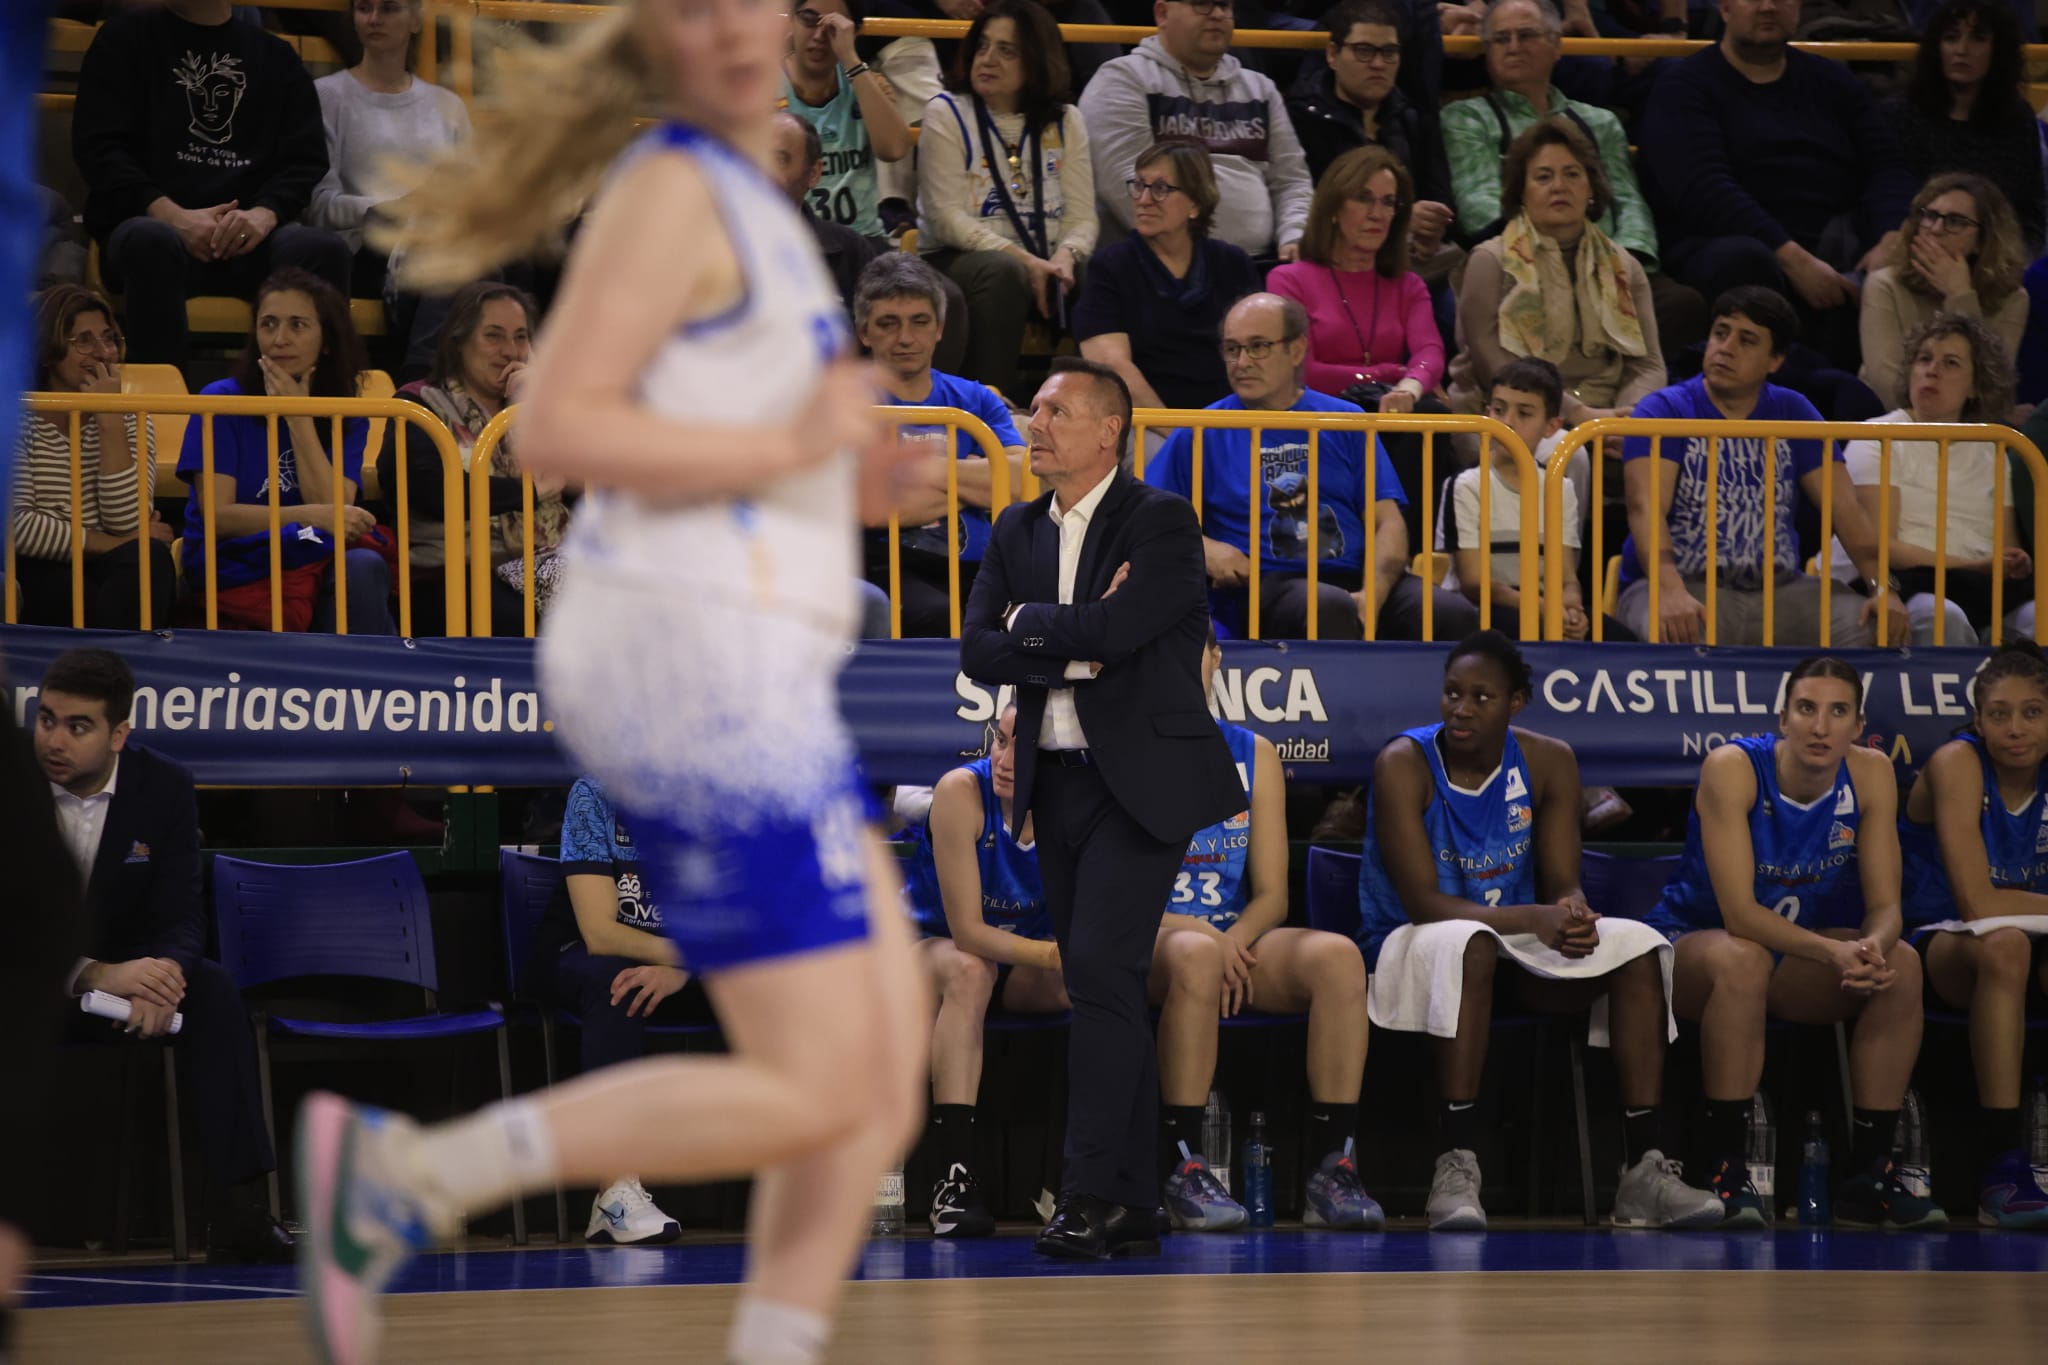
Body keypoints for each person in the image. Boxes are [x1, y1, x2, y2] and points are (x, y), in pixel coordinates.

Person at [294, 1, 929, 1361]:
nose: (743, 26)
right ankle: (411, 1179)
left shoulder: (760, 213)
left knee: (872, 1082)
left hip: (754, 670)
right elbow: (561, 429)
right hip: (685, 669)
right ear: (656, 45)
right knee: (837, 1079)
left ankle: (443, 1191)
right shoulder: (671, 193)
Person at [960, 356, 1246, 1261]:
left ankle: (1084, 1194)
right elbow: (977, 651)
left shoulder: (1160, 520)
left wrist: (1035, 631)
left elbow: (1123, 634)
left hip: (1143, 784)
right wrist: (1073, 643)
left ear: (1106, 430)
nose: (1032, 425)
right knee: (1104, 985)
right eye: (1033, 410)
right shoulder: (1013, 527)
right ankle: (1134, 1199)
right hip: (1059, 779)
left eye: (1051, 411)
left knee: (1095, 965)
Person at [1358, 632, 1719, 1231]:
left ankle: (1644, 1170)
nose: (1462, 708)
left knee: (1639, 946)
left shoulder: (1550, 760)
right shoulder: (1404, 762)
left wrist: (1573, 913)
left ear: (1516, 701)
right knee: (1467, 943)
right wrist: (1537, 919)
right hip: (1411, 937)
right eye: (1452, 693)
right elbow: (1423, 902)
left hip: (1513, 944)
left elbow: (1561, 880)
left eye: (1482, 696)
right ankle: (1456, 1164)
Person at [1645, 657, 1944, 1229]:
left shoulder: (1872, 772)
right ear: (1783, 717)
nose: (1820, 727)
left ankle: (1869, 1175)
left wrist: (1872, 949)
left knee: (1901, 964)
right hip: (1693, 946)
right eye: (1807, 709)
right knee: (1743, 959)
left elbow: (1886, 908)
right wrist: (1834, 951)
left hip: (1790, 954)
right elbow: (1740, 915)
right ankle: (1725, 1170)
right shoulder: (1733, 768)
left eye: (1838, 712)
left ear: (1858, 726)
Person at [35, 648, 295, 1262]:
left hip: (129, 988)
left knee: (214, 995)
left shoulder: (164, 786)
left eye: (78, 726)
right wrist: (94, 973)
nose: (55, 740)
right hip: (28, 985)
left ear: (119, 734)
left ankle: (242, 1214)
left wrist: (166, 979)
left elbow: (182, 912)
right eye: (46, 719)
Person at [1145, 292, 1480, 641]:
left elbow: (1388, 522)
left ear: (1297, 349)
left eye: (1258, 346)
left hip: (1358, 576)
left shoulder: (1345, 420)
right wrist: (1206, 548)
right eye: (1231, 349)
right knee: (1328, 607)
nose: (1241, 361)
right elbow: (1147, 519)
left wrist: (1372, 596)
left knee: (1450, 614)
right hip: (1269, 583)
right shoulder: (1200, 429)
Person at [1617, 286, 1907, 648]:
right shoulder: (1664, 409)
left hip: (1779, 589)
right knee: (1677, 627)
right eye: (1720, 333)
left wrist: (1883, 588)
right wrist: (1670, 590)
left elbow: (1846, 509)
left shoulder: (1793, 412)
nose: (1726, 347)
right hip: (1682, 584)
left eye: (1747, 340)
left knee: (1869, 628)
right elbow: (1645, 507)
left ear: (1775, 361)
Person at [72, 0, 353, 370]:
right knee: (150, 241)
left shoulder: (276, 56)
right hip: (152, 229)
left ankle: (313, 410)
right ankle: (162, 413)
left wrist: (264, 215)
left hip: (250, 236)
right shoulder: (123, 39)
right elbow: (98, 148)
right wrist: (172, 215)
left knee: (322, 249)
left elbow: (305, 159)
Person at [1636, 0, 1916, 370]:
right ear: (1724, 8)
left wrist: (1891, 236)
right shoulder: (1684, 86)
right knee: (1744, 261)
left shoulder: (1833, 81)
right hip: (1724, 242)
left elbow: (1889, 165)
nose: (1768, 6)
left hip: (1835, 237)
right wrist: (1790, 257)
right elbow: (1704, 189)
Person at [1441, 0, 1702, 360]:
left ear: (1557, 46)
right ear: (1487, 54)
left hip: (1608, 263)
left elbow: (1627, 201)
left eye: (1527, 35)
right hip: (1521, 263)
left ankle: (1628, 401)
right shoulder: (1467, 118)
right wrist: (1559, 255)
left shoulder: (1600, 121)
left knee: (1681, 304)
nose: (1514, 46)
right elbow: (1478, 204)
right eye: (1501, 39)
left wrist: (1619, 263)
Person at [1898, 641, 2048, 1228]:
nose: (2016, 728)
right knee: (2005, 946)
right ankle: (2001, 1163)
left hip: (2036, 936)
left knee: (2017, 947)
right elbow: (1978, 901)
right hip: (1942, 944)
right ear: (1978, 721)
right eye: (2000, 714)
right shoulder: (1957, 763)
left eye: (2033, 712)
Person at [903, 705, 1066, 1237]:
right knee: (972, 968)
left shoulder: (1077, 806)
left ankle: (1079, 1177)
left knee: (1101, 983)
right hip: (931, 951)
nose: (1005, 757)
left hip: (1017, 961)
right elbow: (968, 931)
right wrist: (1051, 955)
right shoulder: (960, 792)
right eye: (1000, 739)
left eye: (1026, 746)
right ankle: (953, 1179)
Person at [175, 268, 394, 636]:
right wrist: (311, 515)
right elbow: (218, 516)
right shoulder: (222, 402)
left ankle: (355, 689)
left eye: (297, 325)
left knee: (363, 567)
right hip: (238, 566)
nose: (279, 339)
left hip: (311, 561)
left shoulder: (346, 414)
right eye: (269, 324)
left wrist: (298, 417)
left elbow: (336, 513)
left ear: (325, 341)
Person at [527, 776, 691, 1245]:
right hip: (580, 953)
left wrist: (685, 969)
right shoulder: (593, 794)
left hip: (680, 957)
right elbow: (600, 934)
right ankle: (614, 1194)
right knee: (618, 983)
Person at [916, 0, 1097, 397]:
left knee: (1097, 271)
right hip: (956, 259)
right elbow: (945, 217)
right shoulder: (946, 112)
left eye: (1006, 50)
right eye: (982, 46)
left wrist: (1064, 259)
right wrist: (1028, 262)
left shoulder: (1066, 119)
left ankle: (1088, 407)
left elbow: (1083, 217)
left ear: (1036, 60)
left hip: (1044, 258)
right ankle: (987, 406)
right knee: (1002, 274)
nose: (988, 59)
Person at [1444, 117, 1664, 430]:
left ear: (1591, 186)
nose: (1559, 186)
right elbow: (1493, 365)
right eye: (1543, 177)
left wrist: (1629, 417)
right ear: (1521, 192)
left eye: (1572, 174)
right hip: (1509, 415)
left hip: (1610, 415)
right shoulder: (1489, 261)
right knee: (1567, 454)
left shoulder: (1625, 266)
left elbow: (1648, 363)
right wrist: (1578, 415)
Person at [382, 281, 569, 637]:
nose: (509, 351)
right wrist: (525, 491)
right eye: (493, 336)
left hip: (546, 562)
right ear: (459, 341)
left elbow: (579, 483)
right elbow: (425, 489)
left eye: (520, 337)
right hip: (451, 574)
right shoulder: (419, 404)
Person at [856, 252, 1027, 637]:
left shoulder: (976, 398)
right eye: (888, 324)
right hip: (890, 567)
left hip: (984, 567)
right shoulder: (847, 400)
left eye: (920, 322)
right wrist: (976, 480)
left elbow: (1019, 480)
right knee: (942, 618)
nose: (905, 338)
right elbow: (871, 506)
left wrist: (922, 471)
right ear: (863, 331)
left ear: (939, 328)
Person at [1830, 313, 2026, 647]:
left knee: (2038, 616)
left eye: (1950, 363)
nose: (1931, 370)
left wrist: (2015, 562)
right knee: (1941, 616)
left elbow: (2008, 548)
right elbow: (1880, 546)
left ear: (1977, 385)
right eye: (1924, 359)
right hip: (1902, 585)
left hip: (1979, 589)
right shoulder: (1876, 436)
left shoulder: (1993, 448)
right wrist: (1974, 565)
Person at [308, 0, 473, 379]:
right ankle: (421, 384)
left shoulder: (447, 105)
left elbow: (473, 194)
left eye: (389, 8)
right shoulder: (327, 96)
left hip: (439, 239)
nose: (374, 18)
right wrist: (395, 207)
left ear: (417, 19)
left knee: (503, 257)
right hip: (368, 247)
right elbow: (319, 205)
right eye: (364, 8)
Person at [1078, 0, 1315, 261]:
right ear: (1162, 13)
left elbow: (1292, 180)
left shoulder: (1260, 88)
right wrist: (1201, 260)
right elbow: (1124, 186)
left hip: (1261, 262)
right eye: (1201, 4)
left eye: (1224, 6)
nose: (1216, 14)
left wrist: (1295, 235)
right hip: (1156, 265)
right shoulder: (1122, 79)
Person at [8, 285, 176, 629]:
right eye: (83, 341)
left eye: (109, 338)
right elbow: (20, 528)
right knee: (56, 583)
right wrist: (117, 543)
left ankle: (122, 674)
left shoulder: (132, 420)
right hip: (41, 566)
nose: (102, 353)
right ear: (48, 351)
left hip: (107, 564)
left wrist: (109, 419)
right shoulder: (15, 417)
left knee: (151, 560)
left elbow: (128, 522)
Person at [1072, 140, 1263, 413]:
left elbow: (1259, 356)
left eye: (1161, 189)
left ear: (1195, 203)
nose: (1144, 199)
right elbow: (1112, 368)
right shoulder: (1111, 266)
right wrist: (1180, 435)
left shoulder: (1233, 264)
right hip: (1144, 421)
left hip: (1229, 420)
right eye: (1139, 185)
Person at [1287, 0, 1457, 275]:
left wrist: (1432, 229)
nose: (1378, 64)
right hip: (1331, 263)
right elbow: (1313, 210)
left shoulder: (1411, 116)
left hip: (1409, 261)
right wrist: (1402, 220)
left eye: (1389, 52)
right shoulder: (1303, 118)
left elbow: (1438, 194)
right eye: (1364, 51)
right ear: (1332, 55)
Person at [1267, 147, 1444, 406]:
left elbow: (1430, 353)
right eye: (1364, 198)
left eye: (1387, 202)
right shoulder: (1288, 280)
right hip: (1318, 419)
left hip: (1388, 415)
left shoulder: (1408, 286)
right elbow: (1304, 371)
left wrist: (1409, 388)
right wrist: (1388, 374)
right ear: (1334, 207)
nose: (1377, 214)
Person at [1885, 0, 2045, 255]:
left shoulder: (2016, 117)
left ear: (1998, 50)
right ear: (1936, 47)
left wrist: (2015, 263)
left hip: (1997, 260)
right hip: (1918, 253)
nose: (1962, 49)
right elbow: (1893, 201)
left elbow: (2029, 210)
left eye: (1977, 39)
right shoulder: (1901, 114)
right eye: (1951, 38)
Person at [1857, 173, 2028, 411]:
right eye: (1930, 216)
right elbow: (1887, 388)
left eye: (1955, 221)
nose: (1936, 229)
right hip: (1893, 427)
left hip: (1970, 432)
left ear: (1983, 239)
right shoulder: (1884, 285)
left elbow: (1990, 388)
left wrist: (1959, 295)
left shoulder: (2012, 298)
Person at [1442, 357, 1588, 637]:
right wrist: (1543, 608)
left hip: (1544, 606)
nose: (1507, 422)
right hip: (1485, 610)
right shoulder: (1466, 485)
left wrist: (1571, 606)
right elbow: (1474, 583)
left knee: (1619, 639)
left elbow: (1567, 577)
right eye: (1499, 410)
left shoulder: (1562, 487)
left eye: (1524, 413)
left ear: (1552, 426)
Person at [780, 0, 914, 243]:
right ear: (791, 20)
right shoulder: (763, 90)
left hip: (863, 240)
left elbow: (894, 149)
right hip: (794, 243)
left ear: (852, 32)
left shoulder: (864, 83)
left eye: (833, 26)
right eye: (809, 19)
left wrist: (851, 58)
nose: (819, 35)